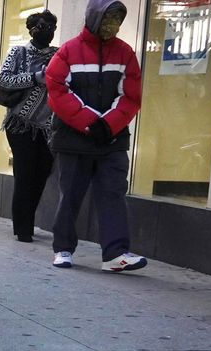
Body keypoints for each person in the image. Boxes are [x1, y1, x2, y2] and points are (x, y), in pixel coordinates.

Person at [44, 0, 146, 272]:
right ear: (94, 19)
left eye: (117, 21)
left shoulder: (125, 53)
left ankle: (115, 253)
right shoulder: (68, 51)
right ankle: (63, 248)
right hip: (74, 140)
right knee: (70, 195)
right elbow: (57, 90)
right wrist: (90, 123)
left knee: (113, 193)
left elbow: (131, 95)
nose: (112, 26)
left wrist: (109, 125)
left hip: (111, 140)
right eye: (108, 19)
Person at [0, 10, 59, 242]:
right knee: (24, 173)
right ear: (31, 29)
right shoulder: (19, 52)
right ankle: (22, 228)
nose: (48, 32)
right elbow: (3, 78)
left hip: (47, 126)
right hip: (20, 123)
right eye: (42, 27)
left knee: (42, 172)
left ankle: (28, 219)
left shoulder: (58, 55)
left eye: (51, 28)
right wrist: (34, 78)